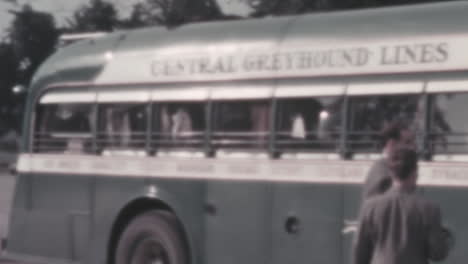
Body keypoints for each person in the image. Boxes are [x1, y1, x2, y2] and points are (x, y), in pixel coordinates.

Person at [353, 148, 454, 264]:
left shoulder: (370, 207)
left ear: (391, 172)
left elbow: (360, 251)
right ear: (415, 172)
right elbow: (437, 253)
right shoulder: (429, 209)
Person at [361, 120, 416, 200]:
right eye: (407, 142)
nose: (413, 147)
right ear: (392, 144)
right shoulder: (382, 173)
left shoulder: (387, 168)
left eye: (413, 142)